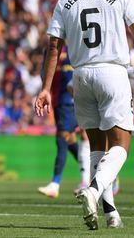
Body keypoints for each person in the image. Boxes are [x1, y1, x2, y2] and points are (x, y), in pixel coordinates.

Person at [34, 0, 134, 230]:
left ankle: (110, 213)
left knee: (97, 146)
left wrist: (46, 88)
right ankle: (94, 190)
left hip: (81, 76)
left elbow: (53, 47)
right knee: (122, 144)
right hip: (112, 72)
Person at [37, 48, 91, 198]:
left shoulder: (75, 47)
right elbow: (44, 73)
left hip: (71, 101)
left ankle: (55, 184)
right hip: (58, 102)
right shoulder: (50, 50)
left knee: (62, 138)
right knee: (71, 140)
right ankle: (99, 171)